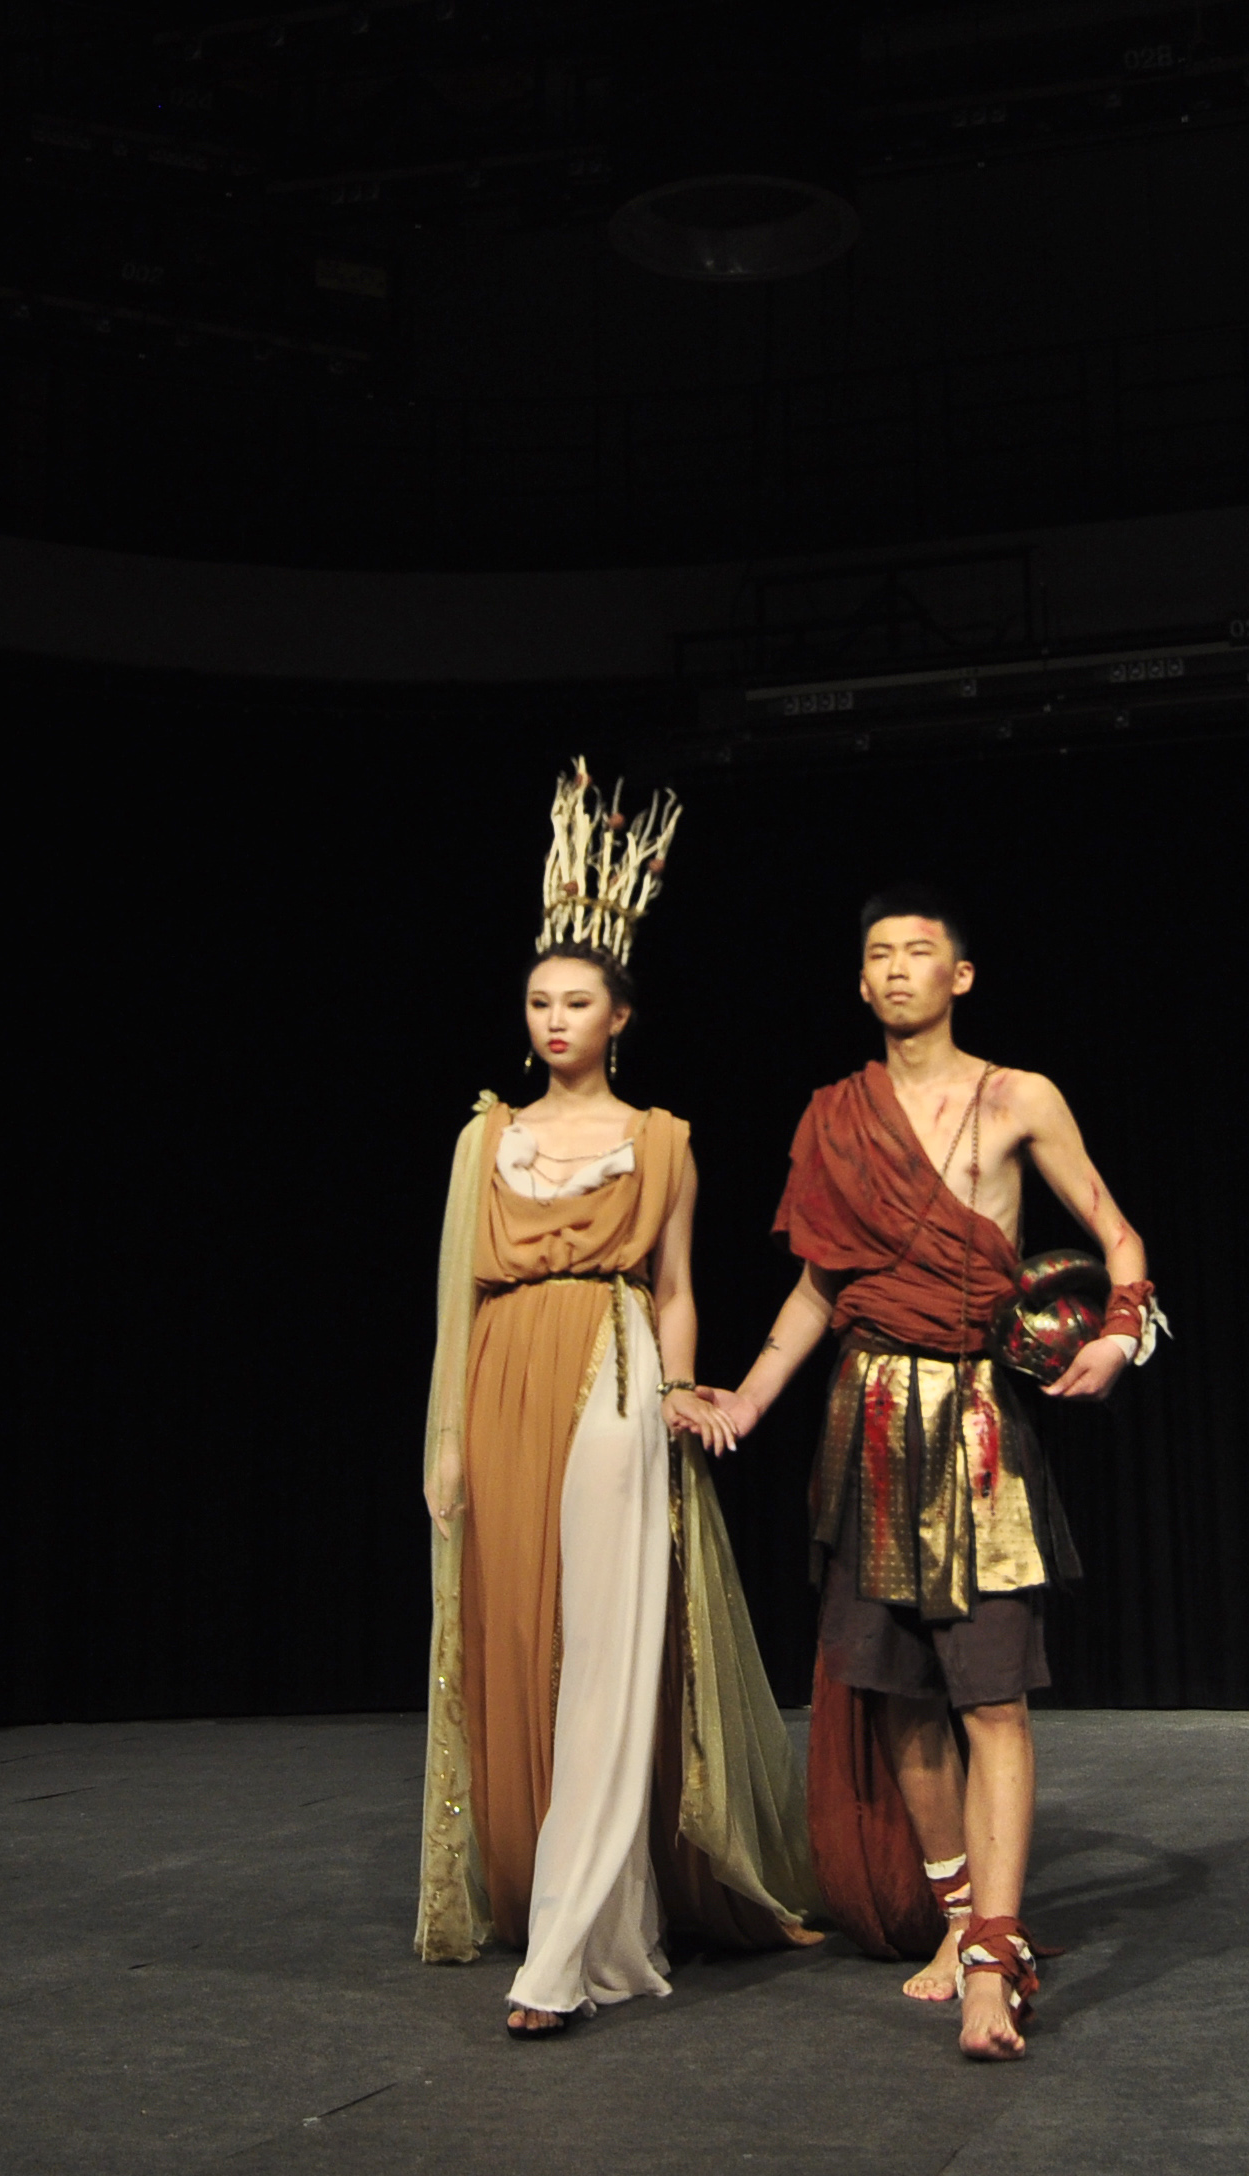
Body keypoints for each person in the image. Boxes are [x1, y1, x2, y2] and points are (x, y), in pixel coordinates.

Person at [710, 882, 1161, 2062]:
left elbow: (1118, 1237)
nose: (897, 968)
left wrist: (1120, 1334)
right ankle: (959, 1923)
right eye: (878, 953)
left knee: (991, 1697)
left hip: (973, 1427)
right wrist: (746, 1396)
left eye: (919, 951)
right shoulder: (836, 1115)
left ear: (960, 975)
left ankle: (993, 1963)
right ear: (861, 983)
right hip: (865, 1419)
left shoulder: (1018, 1097)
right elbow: (816, 1288)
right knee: (901, 1695)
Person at [416, 765, 819, 2041]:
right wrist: (444, 1439)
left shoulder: (661, 1139)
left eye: (576, 1000)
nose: (553, 1018)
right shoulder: (485, 1139)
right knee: (518, 1638)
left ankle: (569, 1950)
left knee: (607, 1652)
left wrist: (677, 1394)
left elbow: (677, 1286)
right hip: (500, 1378)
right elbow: (455, 1300)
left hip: (611, 1366)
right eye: (538, 1000)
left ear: (619, 1014)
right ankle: (545, 1895)